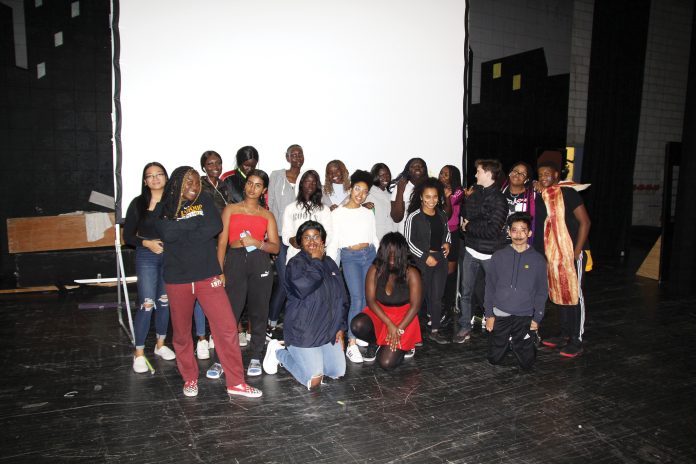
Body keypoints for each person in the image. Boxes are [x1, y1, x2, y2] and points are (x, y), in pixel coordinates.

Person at [155, 166, 261, 398]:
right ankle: (190, 379)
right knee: (182, 334)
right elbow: (166, 233)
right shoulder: (165, 205)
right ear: (177, 184)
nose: (194, 187)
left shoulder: (204, 199)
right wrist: (194, 226)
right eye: (189, 182)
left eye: (196, 182)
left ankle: (236, 382)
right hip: (178, 279)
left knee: (226, 329)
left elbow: (214, 226)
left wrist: (180, 229)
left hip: (207, 275)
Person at [262, 221, 348, 390]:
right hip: (304, 332)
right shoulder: (295, 264)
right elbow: (303, 288)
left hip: (327, 331)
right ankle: (278, 352)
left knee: (337, 371)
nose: (312, 241)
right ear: (300, 242)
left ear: (323, 240)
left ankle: (316, 358)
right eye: (306, 238)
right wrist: (316, 261)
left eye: (316, 236)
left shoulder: (330, 263)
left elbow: (341, 298)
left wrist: (340, 328)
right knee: (314, 380)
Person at [218, 169, 280, 376]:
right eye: (250, 183)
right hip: (234, 262)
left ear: (264, 190)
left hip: (260, 263)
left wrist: (257, 243)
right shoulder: (230, 209)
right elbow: (222, 243)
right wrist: (220, 271)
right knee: (229, 314)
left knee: (259, 313)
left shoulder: (267, 215)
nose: (252, 188)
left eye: (258, 185)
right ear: (244, 185)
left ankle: (255, 356)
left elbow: (275, 248)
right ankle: (222, 359)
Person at [534, 160, 591, 358]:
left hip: (571, 252)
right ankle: (565, 334)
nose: (543, 177)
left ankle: (577, 339)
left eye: (547, 174)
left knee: (575, 295)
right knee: (560, 293)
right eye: (540, 174)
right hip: (552, 254)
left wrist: (576, 252)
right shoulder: (542, 195)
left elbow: (585, 222)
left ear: (556, 175)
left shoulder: (568, 193)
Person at [124, 162, 176, 373]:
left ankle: (160, 345)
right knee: (147, 303)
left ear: (166, 177)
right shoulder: (138, 204)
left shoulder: (174, 203)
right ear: (145, 181)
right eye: (150, 176)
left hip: (170, 255)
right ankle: (138, 353)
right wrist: (148, 243)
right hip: (147, 254)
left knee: (164, 302)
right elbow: (127, 236)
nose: (155, 179)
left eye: (159, 174)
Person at [327, 170, 379, 363]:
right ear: (350, 188)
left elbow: (374, 238)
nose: (360, 194)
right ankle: (352, 343)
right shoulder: (338, 213)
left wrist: (379, 261)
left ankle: (361, 331)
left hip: (369, 255)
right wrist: (331, 266)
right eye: (357, 189)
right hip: (350, 257)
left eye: (365, 191)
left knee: (367, 298)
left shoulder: (367, 212)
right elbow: (333, 243)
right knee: (356, 298)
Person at [454, 159, 508, 344]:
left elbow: (493, 229)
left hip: (491, 254)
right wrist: (469, 226)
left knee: (493, 293)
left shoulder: (500, 199)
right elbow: (465, 220)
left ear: (488, 173)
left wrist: (470, 227)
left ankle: (496, 325)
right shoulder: (474, 194)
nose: (475, 174)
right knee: (466, 292)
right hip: (470, 250)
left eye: (478, 171)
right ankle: (465, 326)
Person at [484, 212, 547, 369]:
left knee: (527, 364)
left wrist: (537, 318)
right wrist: (489, 315)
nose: (518, 234)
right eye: (514, 230)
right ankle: (506, 341)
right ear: (508, 232)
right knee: (494, 359)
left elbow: (541, 291)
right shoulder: (498, 256)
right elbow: (490, 287)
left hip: (524, 315)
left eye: (523, 230)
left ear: (530, 233)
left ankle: (523, 340)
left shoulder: (538, 260)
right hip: (501, 314)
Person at [351, 233, 423, 368]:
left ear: (403, 252)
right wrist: (389, 323)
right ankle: (376, 342)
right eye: (388, 251)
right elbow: (371, 301)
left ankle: (407, 346)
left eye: (395, 252)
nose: (391, 255)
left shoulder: (411, 273)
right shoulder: (375, 269)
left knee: (386, 363)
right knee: (357, 324)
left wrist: (398, 329)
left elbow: (415, 306)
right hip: (380, 314)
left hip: (404, 318)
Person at [194, 150, 233, 360]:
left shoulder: (224, 185)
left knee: (218, 290)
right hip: (203, 243)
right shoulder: (198, 185)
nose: (215, 166)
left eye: (218, 163)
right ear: (203, 167)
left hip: (222, 243)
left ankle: (213, 333)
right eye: (210, 164)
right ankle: (201, 337)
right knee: (203, 290)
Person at [404, 177, 451, 344]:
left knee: (437, 296)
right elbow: (409, 241)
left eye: (435, 197)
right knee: (419, 297)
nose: (432, 200)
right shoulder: (414, 217)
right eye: (428, 197)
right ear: (421, 197)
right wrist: (425, 257)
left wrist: (447, 244)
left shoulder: (442, 214)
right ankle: (414, 334)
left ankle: (435, 330)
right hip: (421, 262)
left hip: (440, 260)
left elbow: (447, 233)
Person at [267, 144, 305, 330]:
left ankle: (293, 322)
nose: (297, 157)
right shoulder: (276, 175)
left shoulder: (306, 179)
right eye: (294, 154)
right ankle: (272, 322)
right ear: (287, 157)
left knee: (298, 280)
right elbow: (271, 206)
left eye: (300, 154)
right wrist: (271, 238)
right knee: (284, 280)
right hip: (281, 238)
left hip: (301, 242)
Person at [282, 170, 334, 264]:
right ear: (301, 184)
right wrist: (291, 240)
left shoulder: (324, 209)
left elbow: (329, 234)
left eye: (314, 182)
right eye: (307, 182)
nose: (311, 185)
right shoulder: (290, 208)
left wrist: (316, 245)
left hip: (317, 257)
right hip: (295, 257)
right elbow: (286, 234)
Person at [439, 165, 465, 322]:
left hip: (453, 234)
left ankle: (448, 307)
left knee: (450, 272)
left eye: (446, 174)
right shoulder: (436, 189)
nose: (442, 176)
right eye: (441, 173)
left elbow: (446, 210)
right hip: (437, 234)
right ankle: (437, 306)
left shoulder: (459, 191)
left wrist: (446, 196)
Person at [501, 161, 537, 243]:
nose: (517, 174)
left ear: (526, 179)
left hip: (521, 242)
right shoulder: (500, 190)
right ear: (510, 173)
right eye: (515, 171)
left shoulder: (533, 195)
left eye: (522, 174)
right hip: (500, 241)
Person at [390, 157, 428, 234]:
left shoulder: (430, 187)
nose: (417, 168)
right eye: (413, 166)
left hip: (427, 235)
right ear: (408, 171)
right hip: (406, 234)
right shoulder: (400, 186)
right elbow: (397, 218)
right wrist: (400, 190)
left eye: (421, 166)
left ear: (425, 170)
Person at [364, 163, 397, 242]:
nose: (385, 178)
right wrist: (363, 206)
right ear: (375, 176)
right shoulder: (367, 193)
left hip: (391, 240)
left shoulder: (391, 195)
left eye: (387, 175)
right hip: (375, 241)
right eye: (381, 175)